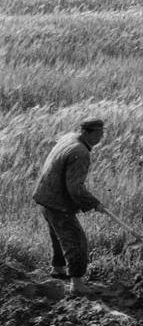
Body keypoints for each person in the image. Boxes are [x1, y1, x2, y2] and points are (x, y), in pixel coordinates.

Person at [32, 118, 107, 296]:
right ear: (87, 132)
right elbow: (75, 188)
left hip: (45, 196)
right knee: (76, 241)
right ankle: (77, 284)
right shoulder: (80, 152)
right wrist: (94, 203)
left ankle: (58, 269)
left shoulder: (69, 138)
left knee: (59, 237)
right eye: (98, 133)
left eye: (102, 132)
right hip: (58, 203)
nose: (101, 137)